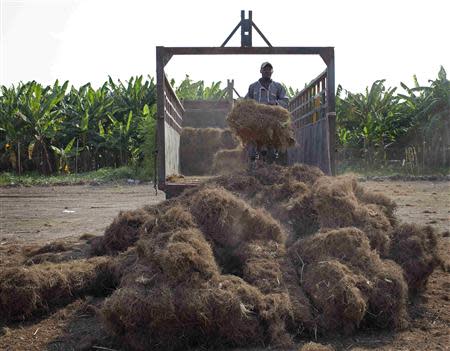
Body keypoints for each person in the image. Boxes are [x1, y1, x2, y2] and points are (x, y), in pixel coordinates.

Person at [245, 62, 289, 164]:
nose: (267, 71)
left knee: (272, 147)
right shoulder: (253, 87)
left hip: (272, 120)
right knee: (252, 146)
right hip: (256, 120)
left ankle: (271, 164)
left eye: (269, 70)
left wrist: (275, 103)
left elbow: (285, 101)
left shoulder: (278, 86)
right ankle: (252, 164)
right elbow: (246, 102)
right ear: (261, 71)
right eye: (265, 69)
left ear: (272, 72)